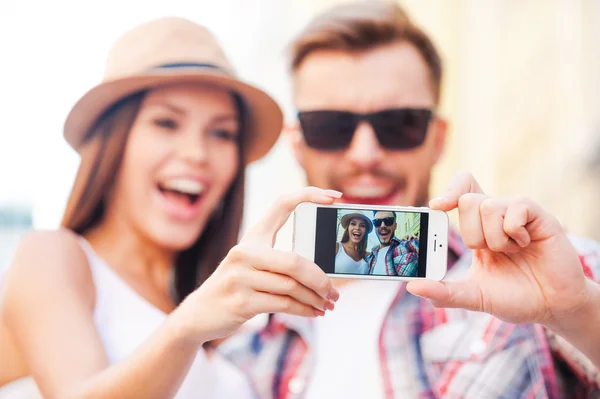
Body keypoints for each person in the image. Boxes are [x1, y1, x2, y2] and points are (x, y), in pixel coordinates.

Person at [222, 2, 600, 398]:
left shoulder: (544, 278)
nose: (364, 155)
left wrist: (579, 313)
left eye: (399, 124)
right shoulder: (246, 354)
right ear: (297, 145)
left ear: (437, 139)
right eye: (331, 127)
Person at [0, 17, 341, 399]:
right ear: (114, 143)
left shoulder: (224, 321)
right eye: (166, 122)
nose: (197, 154)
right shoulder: (54, 256)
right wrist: (189, 324)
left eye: (221, 133)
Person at [366, 211, 419, 277]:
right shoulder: (369, 258)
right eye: (377, 222)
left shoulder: (407, 245)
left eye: (388, 221)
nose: (382, 226)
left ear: (395, 226)